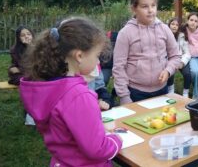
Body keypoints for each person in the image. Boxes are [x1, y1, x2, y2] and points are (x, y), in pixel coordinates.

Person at [19, 18, 122, 166]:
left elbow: (64, 126)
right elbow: (98, 149)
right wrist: (116, 139)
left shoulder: (48, 87)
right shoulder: (78, 95)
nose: (98, 62)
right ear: (79, 56)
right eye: (96, 56)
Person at [113, 0, 181, 104]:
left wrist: (168, 70)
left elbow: (175, 56)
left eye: (153, 5)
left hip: (162, 90)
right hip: (135, 92)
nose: (150, 10)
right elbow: (119, 67)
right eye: (145, 6)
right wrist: (124, 96)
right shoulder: (125, 33)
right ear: (134, 8)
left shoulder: (164, 29)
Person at [8, 25, 36, 125]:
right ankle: (29, 111)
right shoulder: (15, 50)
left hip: (35, 73)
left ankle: (34, 112)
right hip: (24, 75)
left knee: (34, 80)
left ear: (32, 35)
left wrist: (30, 47)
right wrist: (12, 69)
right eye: (23, 35)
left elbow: (38, 63)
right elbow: (21, 65)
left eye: (28, 34)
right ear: (19, 38)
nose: (26, 37)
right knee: (27, 81)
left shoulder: (38, 46)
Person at [167, 17, 192, 97]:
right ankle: (170, 91)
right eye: (172, 24)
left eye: (176, 25)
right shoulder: (164, 35)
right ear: (169, 25)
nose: (174, 26)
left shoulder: (182, 36)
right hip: (169, 59)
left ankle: (185, 93)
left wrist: (182, 62)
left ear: (179, 27)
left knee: (187, 74)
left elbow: (187, 53)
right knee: (170, 72)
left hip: (181, 59)